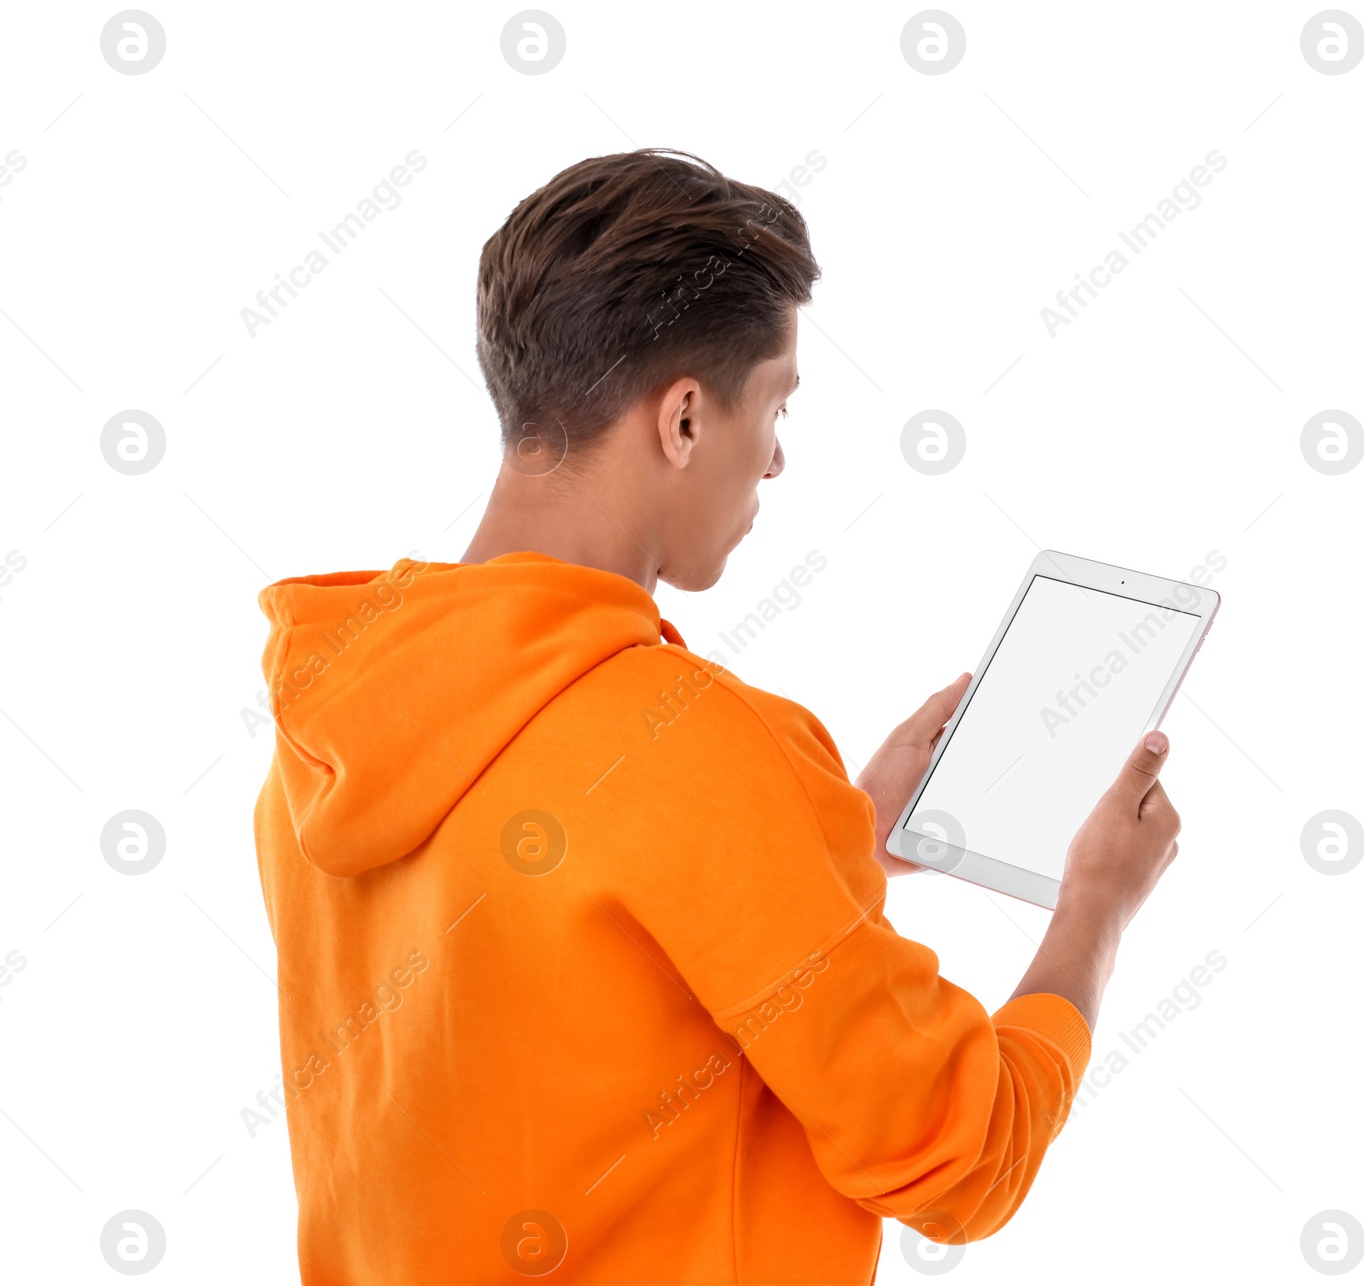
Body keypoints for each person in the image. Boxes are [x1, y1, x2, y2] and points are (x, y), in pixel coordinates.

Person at [253, 148, 1181, 1285]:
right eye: (778, 403)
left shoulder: (334, 724)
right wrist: (1095, 907)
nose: (778, 457)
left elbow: (562, 988)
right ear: (684, 418)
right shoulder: (696, 745)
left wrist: (832, 840)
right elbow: (961, 1155)